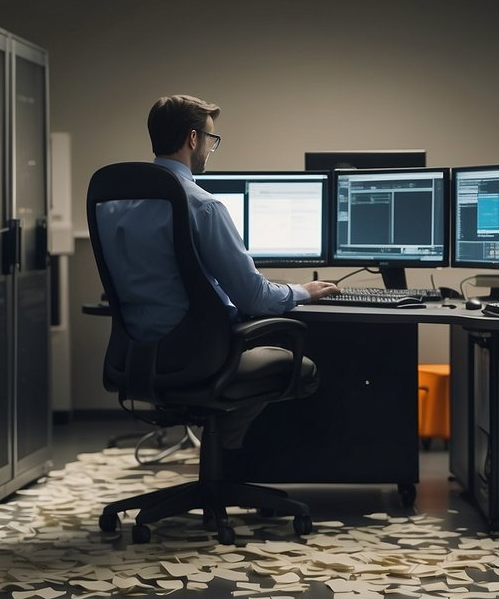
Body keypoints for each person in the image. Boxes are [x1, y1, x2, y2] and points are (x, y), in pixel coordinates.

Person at [98, 94, 339, 448]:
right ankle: (227, 459)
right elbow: (253, 297)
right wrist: (304, 291)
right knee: (301, 368)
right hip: (198, 360)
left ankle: (218, 467)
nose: (211, 148)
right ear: (193, 139)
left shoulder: (113, 207)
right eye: (211, 139)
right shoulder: (203, 205)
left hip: (133, 357)